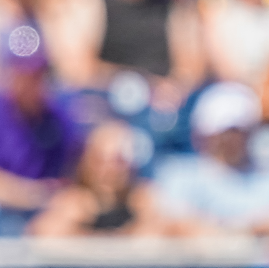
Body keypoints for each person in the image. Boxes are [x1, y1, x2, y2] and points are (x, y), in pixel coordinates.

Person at [0, 26, 83, 214]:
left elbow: (76, 173)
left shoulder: (56, 115)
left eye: (38, 74)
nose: (31, 81)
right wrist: (34, 195)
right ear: (8, 72)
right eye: (24, 74)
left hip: (45, 215)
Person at [154, 82, 269, 235]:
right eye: (225, 133)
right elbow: (173, 224)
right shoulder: (180, 175)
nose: (232, 139)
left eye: (239, 131)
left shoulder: (263, 178)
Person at [29, 121, 166, 236]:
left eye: (117, 161)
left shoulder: (143, 199)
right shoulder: (70, 201)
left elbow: (170, 232)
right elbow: (41, 234)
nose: (109, 170)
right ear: (86, 162)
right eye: (100, 161)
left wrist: (140, 224)